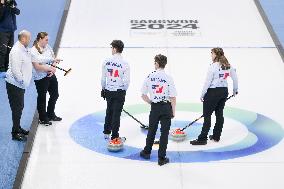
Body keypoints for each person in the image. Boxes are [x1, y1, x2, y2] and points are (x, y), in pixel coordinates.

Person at [190, 47, 238, 145]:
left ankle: (202, 138)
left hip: (213, 93)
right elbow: (235, 78)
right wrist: (235, 90)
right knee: (219, 113)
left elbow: (207, 82)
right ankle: (216, 136)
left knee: (207, 116)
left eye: (212, 53)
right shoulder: (227, 65)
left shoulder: (213, 67)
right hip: (224, 91)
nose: (211, 55)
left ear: (216, 54)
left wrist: (202, 94)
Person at [139, 54, 177, 166]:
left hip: (155, 107)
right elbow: (173, 97)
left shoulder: (150, 76)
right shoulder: (168, 78)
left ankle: (147, 152)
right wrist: (173, 111)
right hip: (166, 107)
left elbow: (143, 95)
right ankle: (161, 158)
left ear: (156, 63)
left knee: (152, 130)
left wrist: (151, 102)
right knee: (164, 133)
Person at [101, 40, 130, 143]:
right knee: (116, 114)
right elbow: (126, 81)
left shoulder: (106, 61)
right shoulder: (125, 64)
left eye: (111, 48)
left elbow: (103, 78)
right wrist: (123, 90)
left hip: (108, 90)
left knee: (109, 110)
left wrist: (103, 89)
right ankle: (115, 137)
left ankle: (106, 132)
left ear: (114, 48)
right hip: (119, 91)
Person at [5, 30, 31, 141]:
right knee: (17, 108)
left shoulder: (23, 49)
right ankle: (15, 133)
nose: (29, 40)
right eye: (28, 38)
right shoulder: (16, 51)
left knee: (20, 107)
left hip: (19, 85)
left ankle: (18, 127)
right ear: (23, 39)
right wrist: (22, 81)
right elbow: (15, 70)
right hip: (15, 85)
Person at [31, 32, 62, 126]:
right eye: (46, 39)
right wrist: (49, 69)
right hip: (40, 77)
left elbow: (54, 59)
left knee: (55, 94)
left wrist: (52, 69)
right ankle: (43, 118)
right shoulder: (33, 51)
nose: (48, 41)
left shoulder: (48, 47)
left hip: (50, 75)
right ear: (40, 39)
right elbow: (37, 66)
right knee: (42, 97)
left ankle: (50, 114)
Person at [0, 0, 20, 72]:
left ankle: (7, 67)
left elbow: (18, 12)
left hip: (11, 30)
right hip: (3, 31)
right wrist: (2, 5)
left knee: (10, 50)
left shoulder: (12, 2)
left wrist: (12, 6)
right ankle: (1, 69)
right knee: (3, 51)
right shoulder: (2, 4)